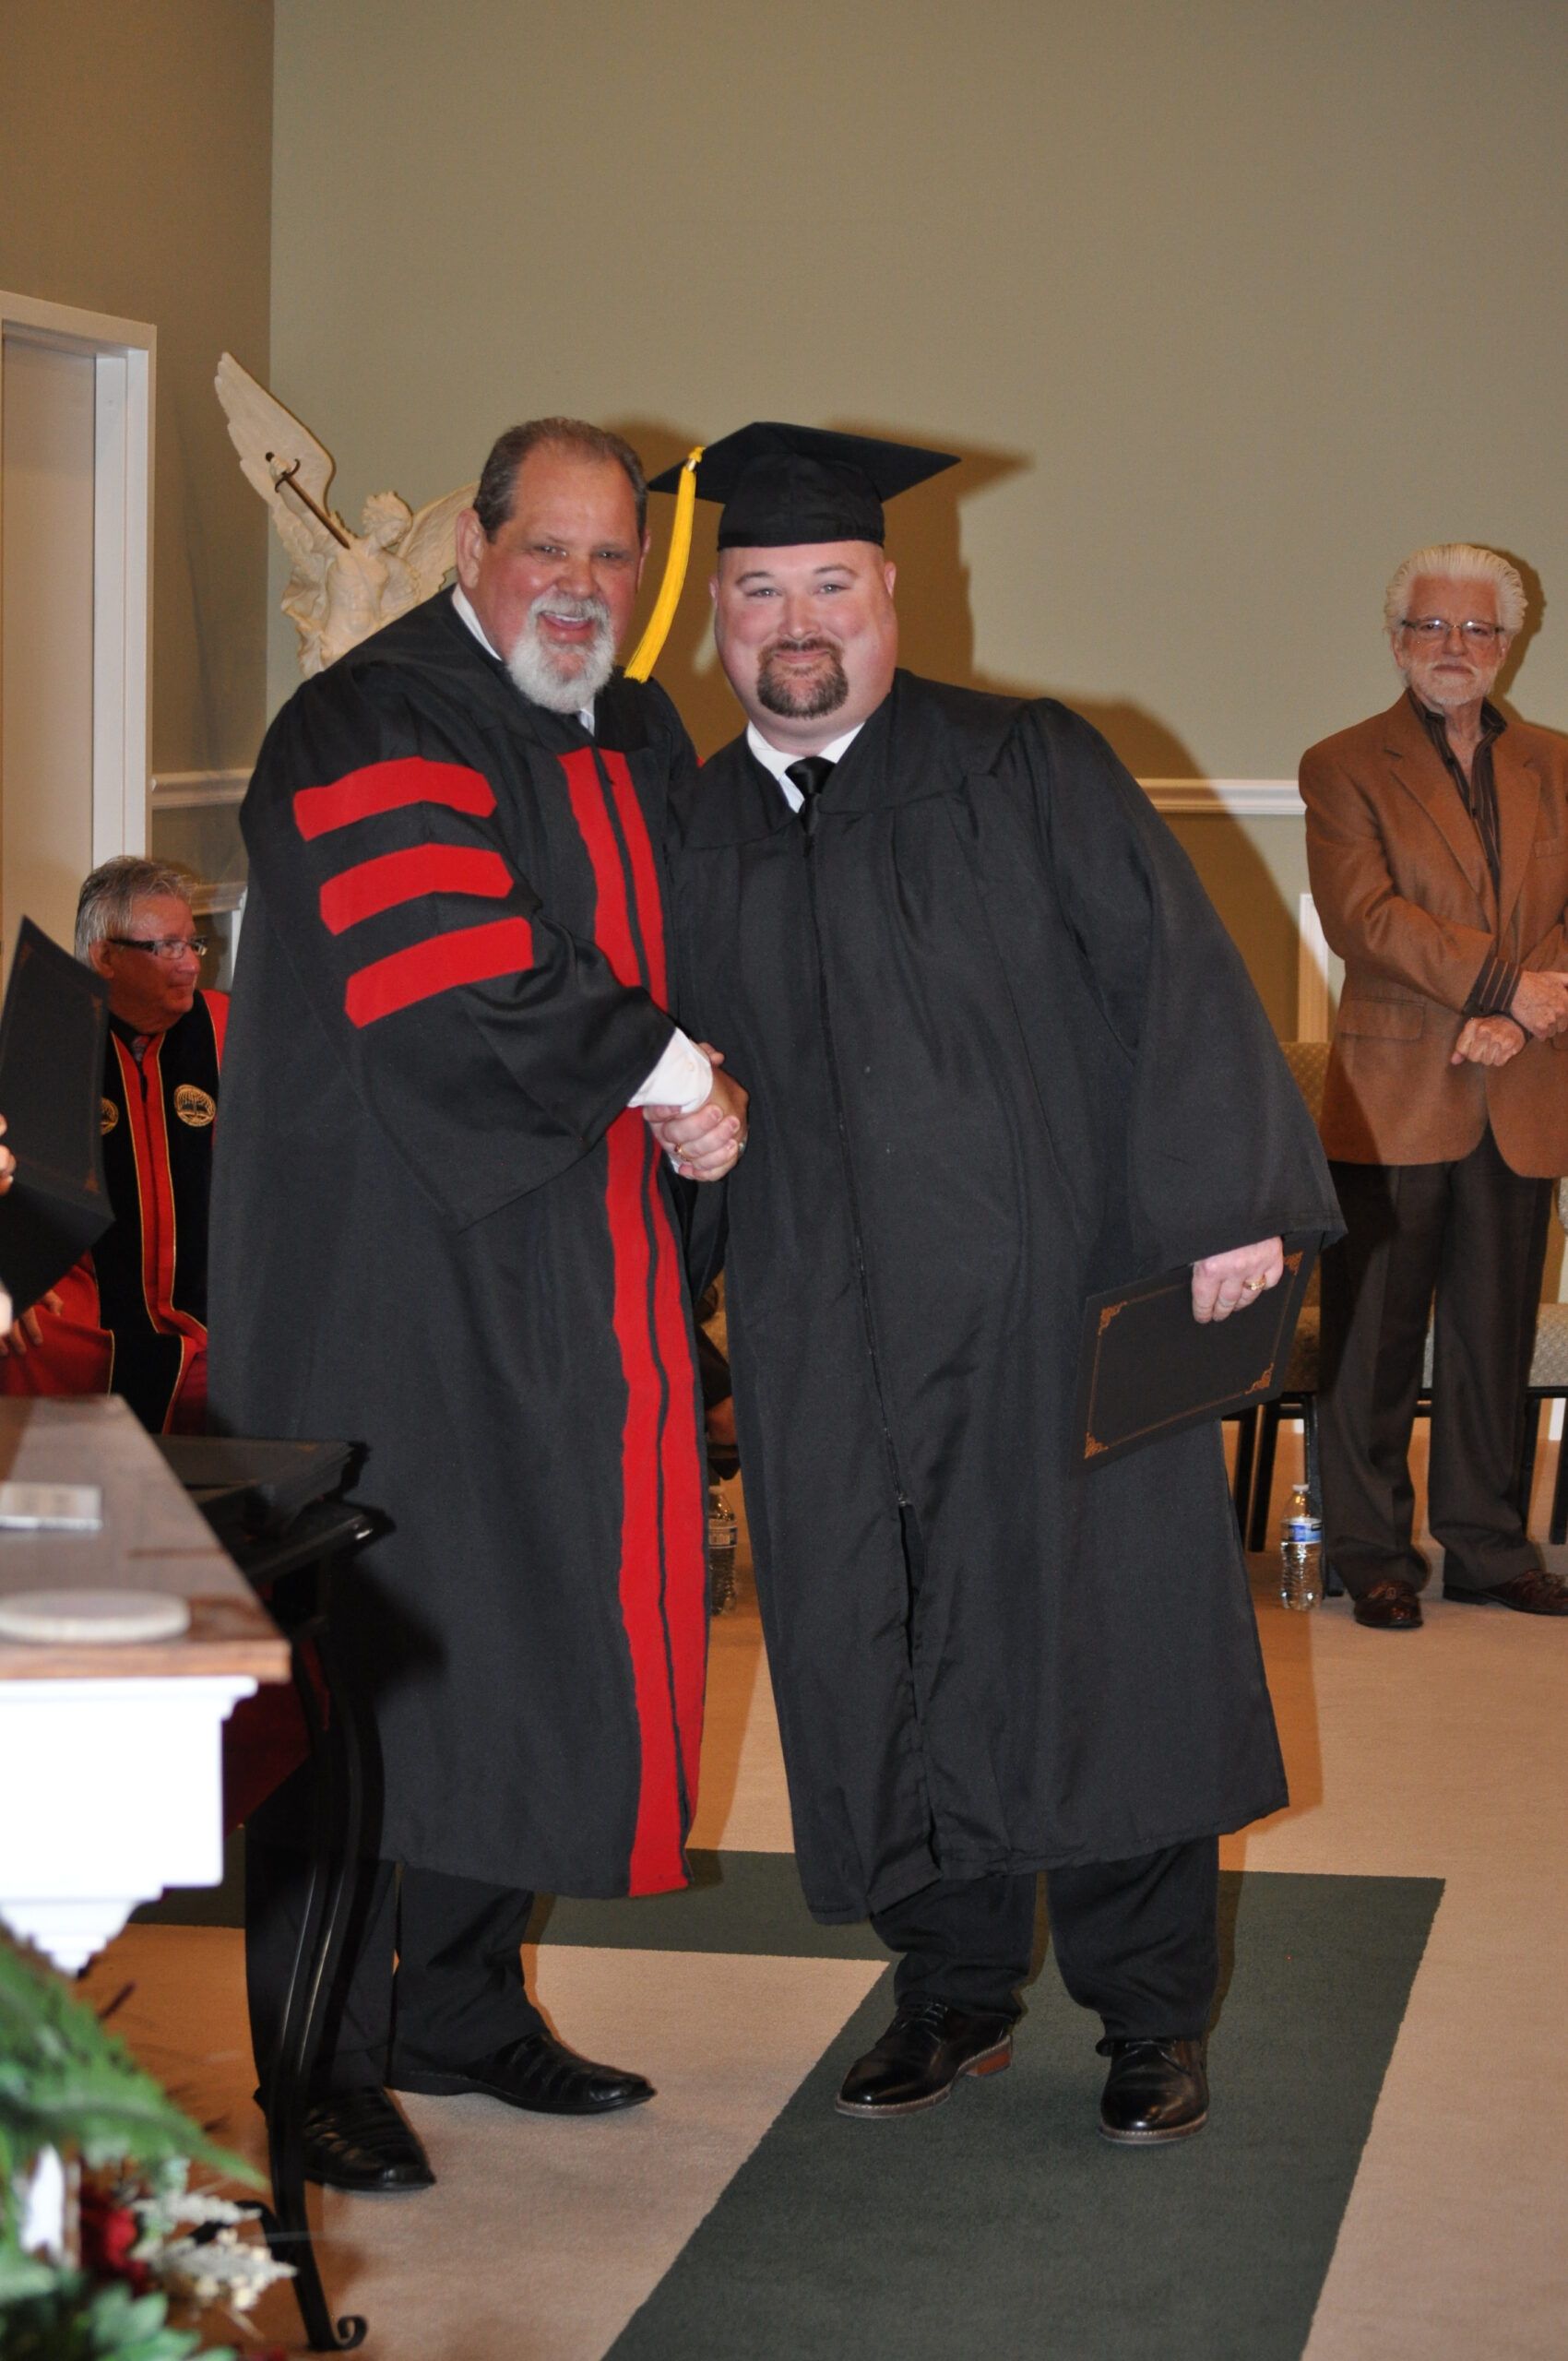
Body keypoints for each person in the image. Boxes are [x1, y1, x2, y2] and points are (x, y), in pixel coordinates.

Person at [647, 423, 1339, 2144]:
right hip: (822, 1321)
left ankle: (1150, 2016)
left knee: (1104, 1649)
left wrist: (1228, 1202)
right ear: (717, 618)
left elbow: (1168, 970)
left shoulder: (1022, 761)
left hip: (1050, 1306)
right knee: (872, 1643)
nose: (795, 623)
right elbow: (651, 1058)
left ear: (893, 592)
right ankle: (950, 1990)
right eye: (758, 591)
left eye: (828, 584)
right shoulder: (690, 823)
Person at [209, 418, 745, 2196]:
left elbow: (711, 932)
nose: (581, 587)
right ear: (472, 549)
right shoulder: (363, 723)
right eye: (548, 549)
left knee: (533, 1629)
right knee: (376, 1652)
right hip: (387, 1278)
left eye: (613, 557)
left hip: (578, 1270)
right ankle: (314, 2057)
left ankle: (454, 2000)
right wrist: (672, 1072)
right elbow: (449, 971)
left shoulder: (638, 728)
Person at [1301, 544, 1568, 1631]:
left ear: (1507, 642)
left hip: (1522, 1086)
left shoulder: (1555, 761)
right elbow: (1364, 917)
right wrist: (1506, 989)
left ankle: (1486, 1547)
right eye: (1430, 626)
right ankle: (1367, 1553)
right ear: (1395, 637)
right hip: (1391, 1090)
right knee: (1371, 1338)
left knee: (1489, 1340)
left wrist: (1523, 1012)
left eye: (1475, 629)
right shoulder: (1340, 763)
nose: (1452, 646)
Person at [0, 858, 224, 1432]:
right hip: (88, 1308)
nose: (192, 963)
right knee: (21, 1335)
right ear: (105, 957)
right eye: (168, 947)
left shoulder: (228, 1031)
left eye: (192, 943)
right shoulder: (40, 1041)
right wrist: (11, 1275)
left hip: (215, 1303)